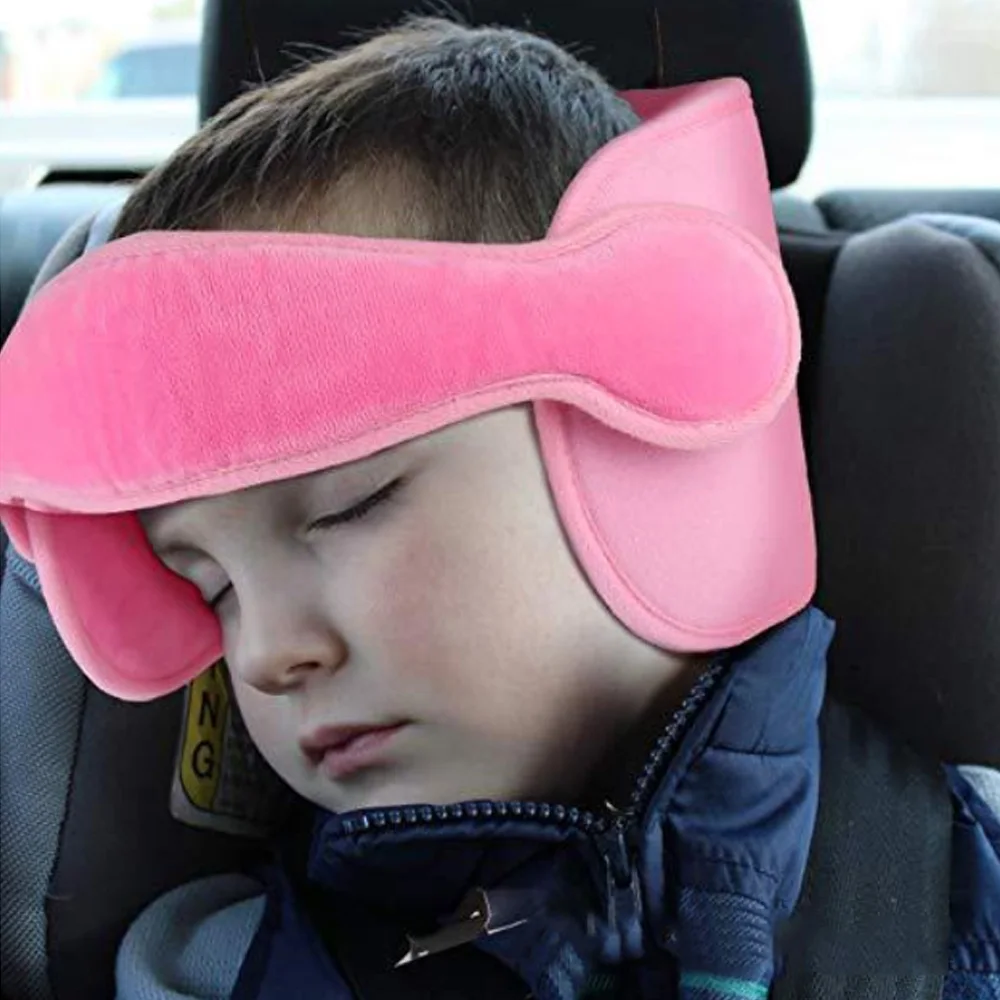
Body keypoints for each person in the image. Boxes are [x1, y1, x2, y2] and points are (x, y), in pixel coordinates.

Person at [1, 16, 998, 1000]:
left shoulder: (952, 897)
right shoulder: (217, 969)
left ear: (647, 411)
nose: (264, 654)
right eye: (212, 588)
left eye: (351, 504)